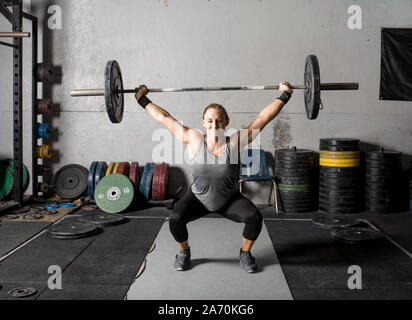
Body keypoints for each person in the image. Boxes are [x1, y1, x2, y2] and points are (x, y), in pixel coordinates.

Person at [135, 81, 293, 273]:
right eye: (210, 120)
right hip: (197, 198)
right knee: (175, 219)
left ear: (226, 122)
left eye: (219, 120)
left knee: (254, 217)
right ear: (203, 122)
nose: (214, 124)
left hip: (228, 199)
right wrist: (142, 99)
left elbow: (262, 118)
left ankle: (245, 253)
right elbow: (164, 118)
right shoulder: (193, 139)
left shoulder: (235, 143)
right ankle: (184, 252)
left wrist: (284, 95)